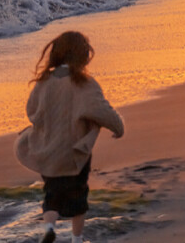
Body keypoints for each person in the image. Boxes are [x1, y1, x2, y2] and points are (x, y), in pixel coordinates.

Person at [15, 30, 125, 243]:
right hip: (75, 153)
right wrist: (118, 127)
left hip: (47, 152)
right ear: (83, 55)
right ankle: (77, 239)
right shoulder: (84, 83)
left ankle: (49, 227)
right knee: (78, 196)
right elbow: (100, 109)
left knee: (52, 196)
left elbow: (32, 111)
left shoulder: (44, 82)